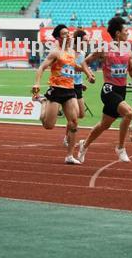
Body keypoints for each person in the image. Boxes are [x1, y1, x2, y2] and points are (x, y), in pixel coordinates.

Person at [77, 17, 132, 163]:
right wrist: (89, 74)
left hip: (121, 90)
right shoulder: (104, 49)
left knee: (104, 125)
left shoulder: (127, 51)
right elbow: (85, 62)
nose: (128, 33)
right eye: (126, 31)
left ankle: (84, 145)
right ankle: (121, 147)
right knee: (129, 113)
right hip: (109, 89)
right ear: (118, 33)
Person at [32, 25, 94, 165]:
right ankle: (43, 102)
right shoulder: (55, 53)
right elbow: (42, 67)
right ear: (58, 38)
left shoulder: (72, 52)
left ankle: (70, 156)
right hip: (56, 90)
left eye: (69, 33)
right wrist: (36, 84)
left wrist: (87, 74)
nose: (69, 35)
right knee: (49, 125)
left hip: (70, 91)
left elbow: (75, 67)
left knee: (74, 122)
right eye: (65, 34)